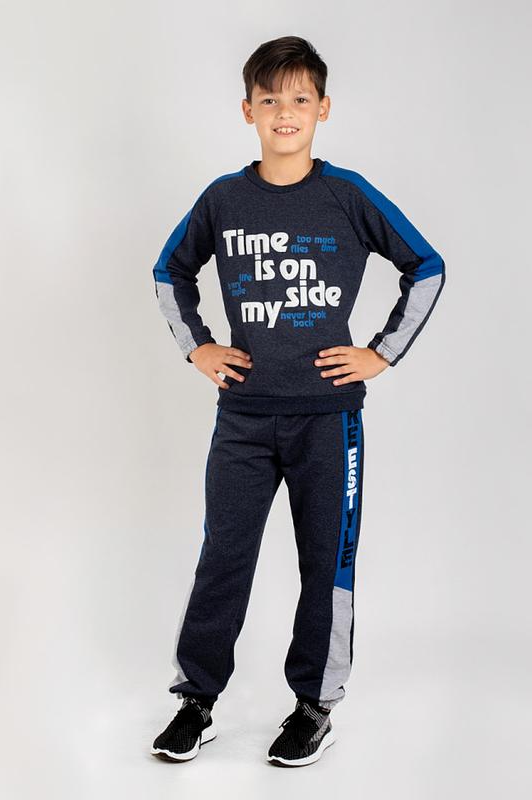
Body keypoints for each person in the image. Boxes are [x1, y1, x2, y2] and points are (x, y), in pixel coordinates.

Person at [150, 34, 446, 768]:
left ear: (323, 109)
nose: (286, 112)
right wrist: (198, 346)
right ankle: (196, 700)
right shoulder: (224, 199)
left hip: (329, 421)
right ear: (248, 110)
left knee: (325, 563)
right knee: (224, 557)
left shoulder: (347, 195)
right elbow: (169, 272)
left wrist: (381, 352)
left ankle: (315, 706)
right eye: (271, 100)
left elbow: (427, 266)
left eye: (300, 99)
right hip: (244, 418)